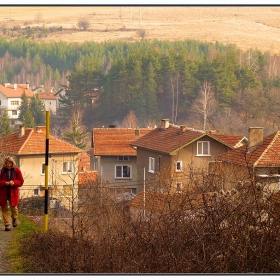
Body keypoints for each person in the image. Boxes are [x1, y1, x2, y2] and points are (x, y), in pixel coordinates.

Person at [0, 156, 24, 231]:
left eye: (10, 163)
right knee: (3, 208)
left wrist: (14, 183)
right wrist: (5, 183)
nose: (8, 165)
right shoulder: (2, 171)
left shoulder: (17, 171)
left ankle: (14, 218)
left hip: (13, 192)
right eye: (7, 163)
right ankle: (7, 224)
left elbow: (21, 181)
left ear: (12, 163)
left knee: (14, 208)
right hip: (3, 192)